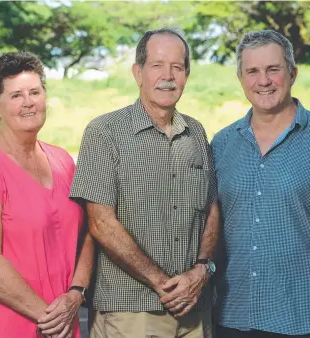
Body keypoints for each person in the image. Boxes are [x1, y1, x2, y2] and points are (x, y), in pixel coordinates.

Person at [70, 27, 219, 338]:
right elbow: (100, 224)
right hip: (130, 314)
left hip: (194, 309)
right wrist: (162, 284)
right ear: (138, 73)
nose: (168, 75)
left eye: (177, 67)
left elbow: (211, 207)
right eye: (157, 65)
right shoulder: (104, 132)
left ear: (187, 75)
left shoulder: (197, 133)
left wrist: (201, 269)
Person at [211, 30, 310, 338]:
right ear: (241, 78)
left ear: (292, 73)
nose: (264, 81)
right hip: (233, 315)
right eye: (253, 71)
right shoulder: (221, 144)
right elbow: (213, 227)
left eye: (273, 69)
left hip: (305, 319)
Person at [0, 52, 94, 338]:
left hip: (65, 322)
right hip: (10, 324)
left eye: (35, 92)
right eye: (16, 95)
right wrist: (48, 317)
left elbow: (90, 233)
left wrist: (77, 293)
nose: (28, 102)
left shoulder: (63, 160)